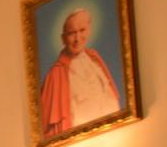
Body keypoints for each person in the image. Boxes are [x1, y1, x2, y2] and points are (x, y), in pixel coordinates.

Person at [40, 8, 121, 140]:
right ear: (63, 38)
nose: (77, 39)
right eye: (72, 33)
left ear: (89, 31)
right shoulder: (55, 75)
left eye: (82, 30)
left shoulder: (95, 58)